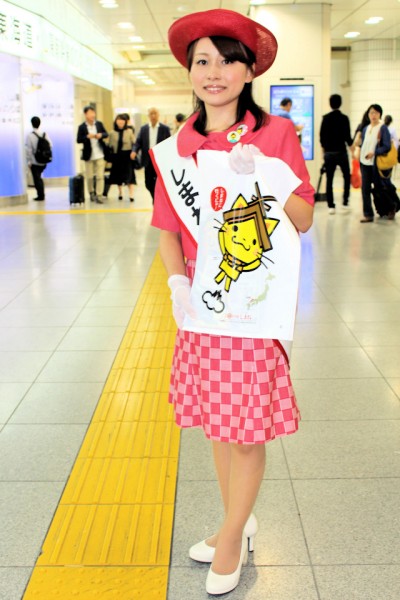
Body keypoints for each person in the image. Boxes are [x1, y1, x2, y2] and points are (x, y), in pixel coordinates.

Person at [150, 8, 314, 596]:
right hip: (202, 299)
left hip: (253, 301)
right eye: (202, 61)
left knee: (245, 430)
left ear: (249, 71)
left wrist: (269, 174)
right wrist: (175, 285)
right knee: (218, 423)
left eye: (227, 60)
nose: (213, 72)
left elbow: (303, 220)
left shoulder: (276, 135)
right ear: (189, 72)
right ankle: (236, 526)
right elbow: (167, 226)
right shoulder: (175, 150)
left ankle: (229, 536)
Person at [356, 104, 393, 222]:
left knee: (380, 188)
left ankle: (389, 209)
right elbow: (363, 144)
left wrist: (374, 152)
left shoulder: (383, 128)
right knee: (365, 189)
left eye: (376, 113)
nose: (373, 115)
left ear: (380, 115)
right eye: (371, 113)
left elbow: (387, 146)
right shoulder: (366, 128)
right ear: (368, 114)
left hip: (376, 163)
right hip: (364, 162)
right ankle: (368, 214)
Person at [319, 94, 353, 214]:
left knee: (329, 179)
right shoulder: (344, 118)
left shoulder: (325, 118)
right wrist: (353, 145)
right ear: (340, 103)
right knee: (346, 177)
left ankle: (331, 205)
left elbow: (322, 137)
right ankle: (345, 201)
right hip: (341, 152)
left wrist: (324, 151)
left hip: (329, 154)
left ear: (330, 103)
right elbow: (348, 138)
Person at [130, 107, 170, 202]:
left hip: (160, 160)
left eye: (155, 113)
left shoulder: (164, 129)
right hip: (148, 159)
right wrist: (134, 150)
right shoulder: (144, 129)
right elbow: (138, 142)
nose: (153, 116)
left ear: (158, 115)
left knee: (159, 181)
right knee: (148, 183)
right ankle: (154, 197)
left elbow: (169, 143)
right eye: (151, 114)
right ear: (148, 116)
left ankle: (157, 200)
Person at [76, 106, 109, 204]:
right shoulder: (82, 127)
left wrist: (101, 135)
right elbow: (78, 139)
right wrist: (87, 137)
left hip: (100, 154)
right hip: (88, 155)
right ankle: (91, 193)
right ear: (85, 114)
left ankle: (99, 195)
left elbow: (106, 133)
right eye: (90, 113)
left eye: (93, 113)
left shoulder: (98, 124)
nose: (92, 115)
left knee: (100, 176)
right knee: (89, 176)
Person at [107, 114, 136, 202]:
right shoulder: (112, 132)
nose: (121, 122)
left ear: (125, 122)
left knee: (130, 175)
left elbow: (134, 142)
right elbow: (109, 145)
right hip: (117, 156)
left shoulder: (129, 131)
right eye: (119, 120)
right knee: (118, 175)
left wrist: (134, 152)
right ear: (116, 121)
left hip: (127, 155)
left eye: (122, 120)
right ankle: (120, 192)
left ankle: (131, 194)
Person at [25, 116, 52, 201]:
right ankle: (41, 194)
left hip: (34, 161)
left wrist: (29, 161)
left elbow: (28, 150)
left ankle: (41, 195)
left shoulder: (30, 136)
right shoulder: (44, 134)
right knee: (39, 177)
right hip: (43, 160)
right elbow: (50, 145)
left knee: (37, 179)